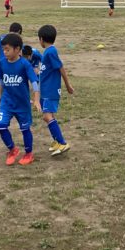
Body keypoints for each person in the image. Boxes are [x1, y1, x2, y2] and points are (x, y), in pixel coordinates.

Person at [0, 33, 41, 166]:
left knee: (25, 129)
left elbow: (34, 82)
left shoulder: (24, 64)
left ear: (17, 49)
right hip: (7, 102)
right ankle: (12, 150)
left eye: (7, 49)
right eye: (3, 49)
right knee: (1, 125)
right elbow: (2, 80)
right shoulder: (2, 62)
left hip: (22, 104)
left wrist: (36, 99)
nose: (4, 52)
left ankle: (28, 154)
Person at [37, 25, 75, 156]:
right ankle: (57, 142)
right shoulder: (47, 52)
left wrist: (68, 85)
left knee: (47, 116)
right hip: (45, 90)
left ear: (41, 39)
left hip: (51, 90)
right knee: (48, 117)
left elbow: (61, 68)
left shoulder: (51, 52)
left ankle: (62, 143)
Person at [0, 22, 22, 101]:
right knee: (13, 77)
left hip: (1, 61)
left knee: (0, 77)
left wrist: (1, 56)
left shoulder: (2, 37)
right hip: (11, 61)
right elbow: (20, 52)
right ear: (19, 31)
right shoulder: (16, 40)